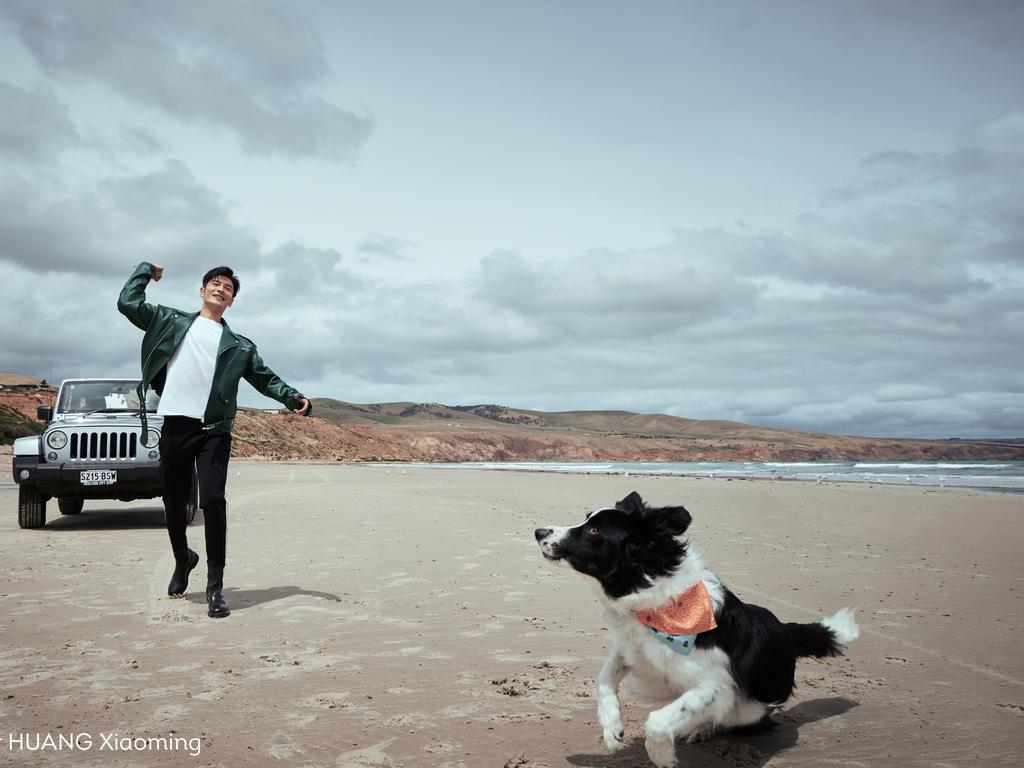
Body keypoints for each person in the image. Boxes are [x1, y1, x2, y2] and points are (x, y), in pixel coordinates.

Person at [118, 263, 310, 618]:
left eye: (228, 288)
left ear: (232, 301)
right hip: (176, 425)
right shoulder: (170, 321)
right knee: (174, 503)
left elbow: (265, 379)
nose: (221, 289)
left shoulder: (239, 347)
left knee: (212, 500)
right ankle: (183, 558)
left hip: (214, 429)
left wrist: (293, 397)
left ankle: (214, 586)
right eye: (215, 284)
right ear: (202, 290)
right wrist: (146, 271)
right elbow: (128, 302)